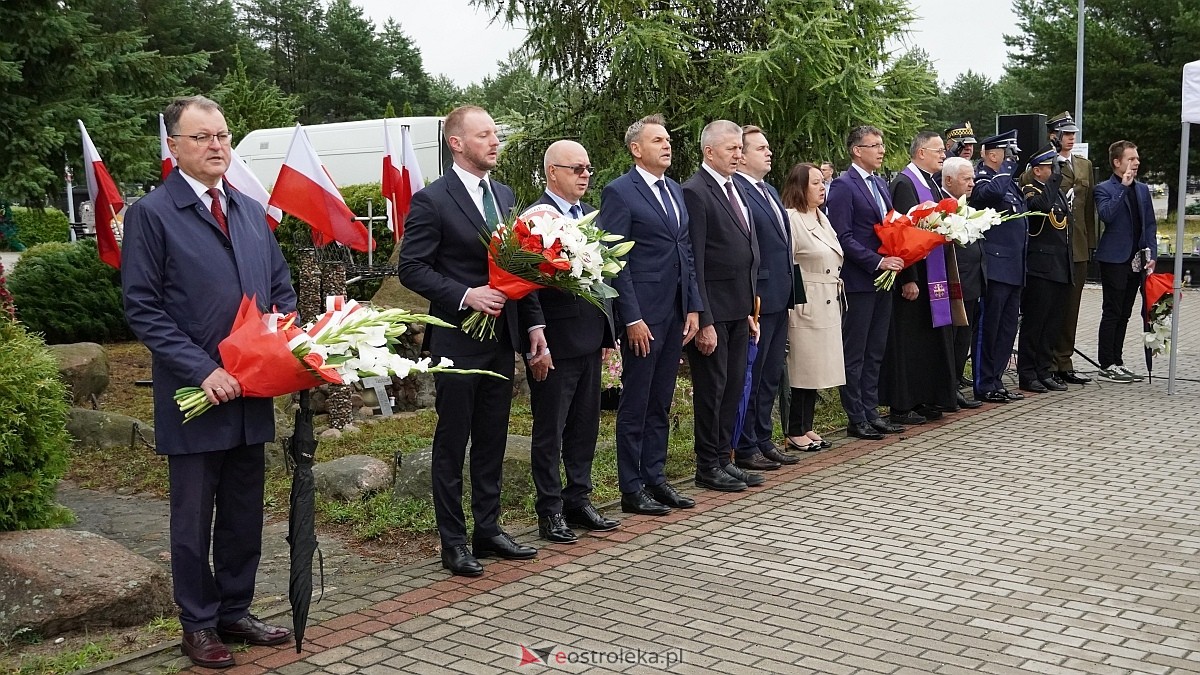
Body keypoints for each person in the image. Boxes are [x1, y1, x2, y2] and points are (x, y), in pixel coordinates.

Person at [122, 95, 295, 669]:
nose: (217, 145)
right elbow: (143, 309)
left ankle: (234, 610)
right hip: (195, 396)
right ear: (173, 147)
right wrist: (204, 369)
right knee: (194, 518)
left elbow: (279, 291)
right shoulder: (152, 213)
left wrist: (283, 351)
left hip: (251, 393)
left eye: (222, 134)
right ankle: (197, 624)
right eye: (202, 137)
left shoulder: (248, 209)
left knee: (245, 509)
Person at [398, 105, 549, 577]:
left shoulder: (504, 195)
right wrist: (465, 295)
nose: (494, 142)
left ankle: (489, 527)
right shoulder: (432, 200)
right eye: (484, 135)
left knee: (492, 436)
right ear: (456, 143)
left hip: (502, 338)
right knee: (453, 441)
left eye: (495, 135)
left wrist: (535, 326)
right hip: (458, 339)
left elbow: (521, 269)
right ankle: (454, 541)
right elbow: (412, 268)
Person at [601, 114, 702, 515]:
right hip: (642, 316)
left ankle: (656, 479)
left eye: (668, 139)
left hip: (675, 311)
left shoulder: (675, 191)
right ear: (636, 149)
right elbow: (615, 260)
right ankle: (631, 487)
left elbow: (686, 252)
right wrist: (631, 317)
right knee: (637, 402)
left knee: (661, 400)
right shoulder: (619, 193)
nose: (667, 145)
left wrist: (693, 305)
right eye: (657, 140)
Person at [523, 140, 619, 544]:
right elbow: (525, 286)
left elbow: (599, 281)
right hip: (555, 343)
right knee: (552, 429)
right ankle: (550, 510)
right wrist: (536, 340)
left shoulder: (586, 217)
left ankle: (578, 497)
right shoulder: (536, 219)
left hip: (588, 338)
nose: (585, 175)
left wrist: (606, 335)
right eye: (576, 168)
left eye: (588, 169)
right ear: (552, 173)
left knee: (585, 426)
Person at [682, 120, 763, 492]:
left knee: (732, 388)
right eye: (731, 148)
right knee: (712, 390)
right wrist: (705, 319)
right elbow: (695, 261)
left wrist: (750, 308)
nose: (738, 154)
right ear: (708, 151)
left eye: (740, 148)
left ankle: (723, 457)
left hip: (739, 308)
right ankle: (706, 465)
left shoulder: (735, 188)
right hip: (714, 311)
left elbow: (746, 250)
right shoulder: (696, 192)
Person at [827, 125, 905, 440]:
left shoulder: (881, 184)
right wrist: (877, 261)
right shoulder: (844, 186)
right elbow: (842, 236)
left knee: (876, 350)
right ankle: (855, 416)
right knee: (856, 351)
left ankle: (872, 412)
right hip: (860, 280)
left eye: (881, 144)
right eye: (874, 145)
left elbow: (890, 225)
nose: (881, 150)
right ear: (857, 150)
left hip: (885, 280)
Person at [732, 125, 799, 468]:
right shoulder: (738, 192)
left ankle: (762, 437)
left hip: (780, 293)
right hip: (758, 296)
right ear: (740, 155)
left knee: (771, 373)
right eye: (761, 148)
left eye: (768, 147)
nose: (769, 152)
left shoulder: (769, 189)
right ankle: (745, 446)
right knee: (753, 376)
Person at [882, 131, 958, 423]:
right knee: (910, 340)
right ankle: (904, 403)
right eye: (938, 150)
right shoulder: (904, 182)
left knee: (928, 338)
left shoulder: (932, 184)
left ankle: (927, 396)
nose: (943, 155)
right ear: (920, 152)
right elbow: (901, 232)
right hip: (914, 276)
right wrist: (908, 277)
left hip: (933, 274)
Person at [781, 163, 844, 451]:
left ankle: (807, 425)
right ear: (800, 187)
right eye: (815, 183)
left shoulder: (821, 217)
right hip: (806, 300)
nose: (822, 187)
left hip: (827, 297)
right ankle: (795, 429)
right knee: (802, 369)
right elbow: (788, 263)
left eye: (822, 182)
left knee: (817, 369)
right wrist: (795, 302)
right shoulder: (792, 219)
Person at [968, 130, 1028, 404]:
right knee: (988, 328)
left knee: (1006, 329)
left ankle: (997, 379)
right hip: (994, 267)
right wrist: (1004, 169)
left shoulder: (1008, 182)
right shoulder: (983, 178)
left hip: (1013, 266)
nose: (1012, 158)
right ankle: (983, 383)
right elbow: (989, 195)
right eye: (1007, 153)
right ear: (993, 154)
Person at [1093, 139, 1157, 383]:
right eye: (1131, 159)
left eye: (1137, 158)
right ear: (1117, 162)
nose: (1136, 162)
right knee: (1112, 310)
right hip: (1114, 259)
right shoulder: (1105, 188)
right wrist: (1122, 187)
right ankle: (1106, 362)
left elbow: (1149, 223)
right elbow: (1107, 215)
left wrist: (1151, 252)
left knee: (1126, 313)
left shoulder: (1142, 189)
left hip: (1137, 259)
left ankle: (1118, 361)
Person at [1045, 112, 1097, 385]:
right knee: (1054, 306)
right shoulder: (1043, 164)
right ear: (1053, 136)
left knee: (1072, 308)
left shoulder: (1084, 165)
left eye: (1073, 134)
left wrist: (1090, 244)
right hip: (1054, 246)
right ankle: (1049, 362)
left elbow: (1088, 209)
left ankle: (1064, 360)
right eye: (1066, 134)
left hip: (1076, 245)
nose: (1071, 138)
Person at [1018, 145, 1073, 393]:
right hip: (1040, 269)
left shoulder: (1056, 192)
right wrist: (1054, 181)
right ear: (1038, 170)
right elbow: (1040, 209)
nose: (1055, 172)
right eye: (1050, 168)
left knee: (1052, 323)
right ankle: (1027, 373)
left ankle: (1044, 369)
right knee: (1035, 323)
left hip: (1060, 266)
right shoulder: (1031, 190)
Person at [940, 157, 984, 410]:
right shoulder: (941, 205)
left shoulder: (965, 203)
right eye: (966, 179)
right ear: (949, 180)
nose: (972, 183)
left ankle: (956, 382)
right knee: (953, 337)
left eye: (972, 178)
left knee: (963, 337)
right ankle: (949, 387)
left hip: (972, 280)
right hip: (954, 282)